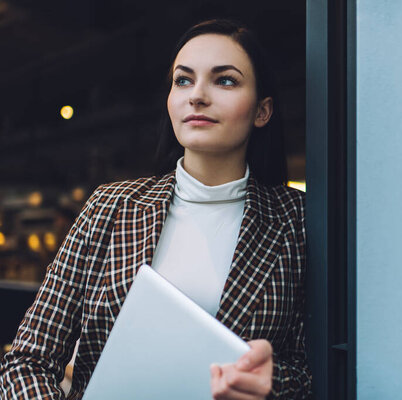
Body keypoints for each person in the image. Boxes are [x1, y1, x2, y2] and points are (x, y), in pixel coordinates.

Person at [0, 19, 311, 400]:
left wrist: (273, 383)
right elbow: (28, 359)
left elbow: (312, 369)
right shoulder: (110, 207)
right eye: (183, 80)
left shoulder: (296, 220)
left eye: (224, 80)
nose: (196, 95)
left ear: (262, 111)